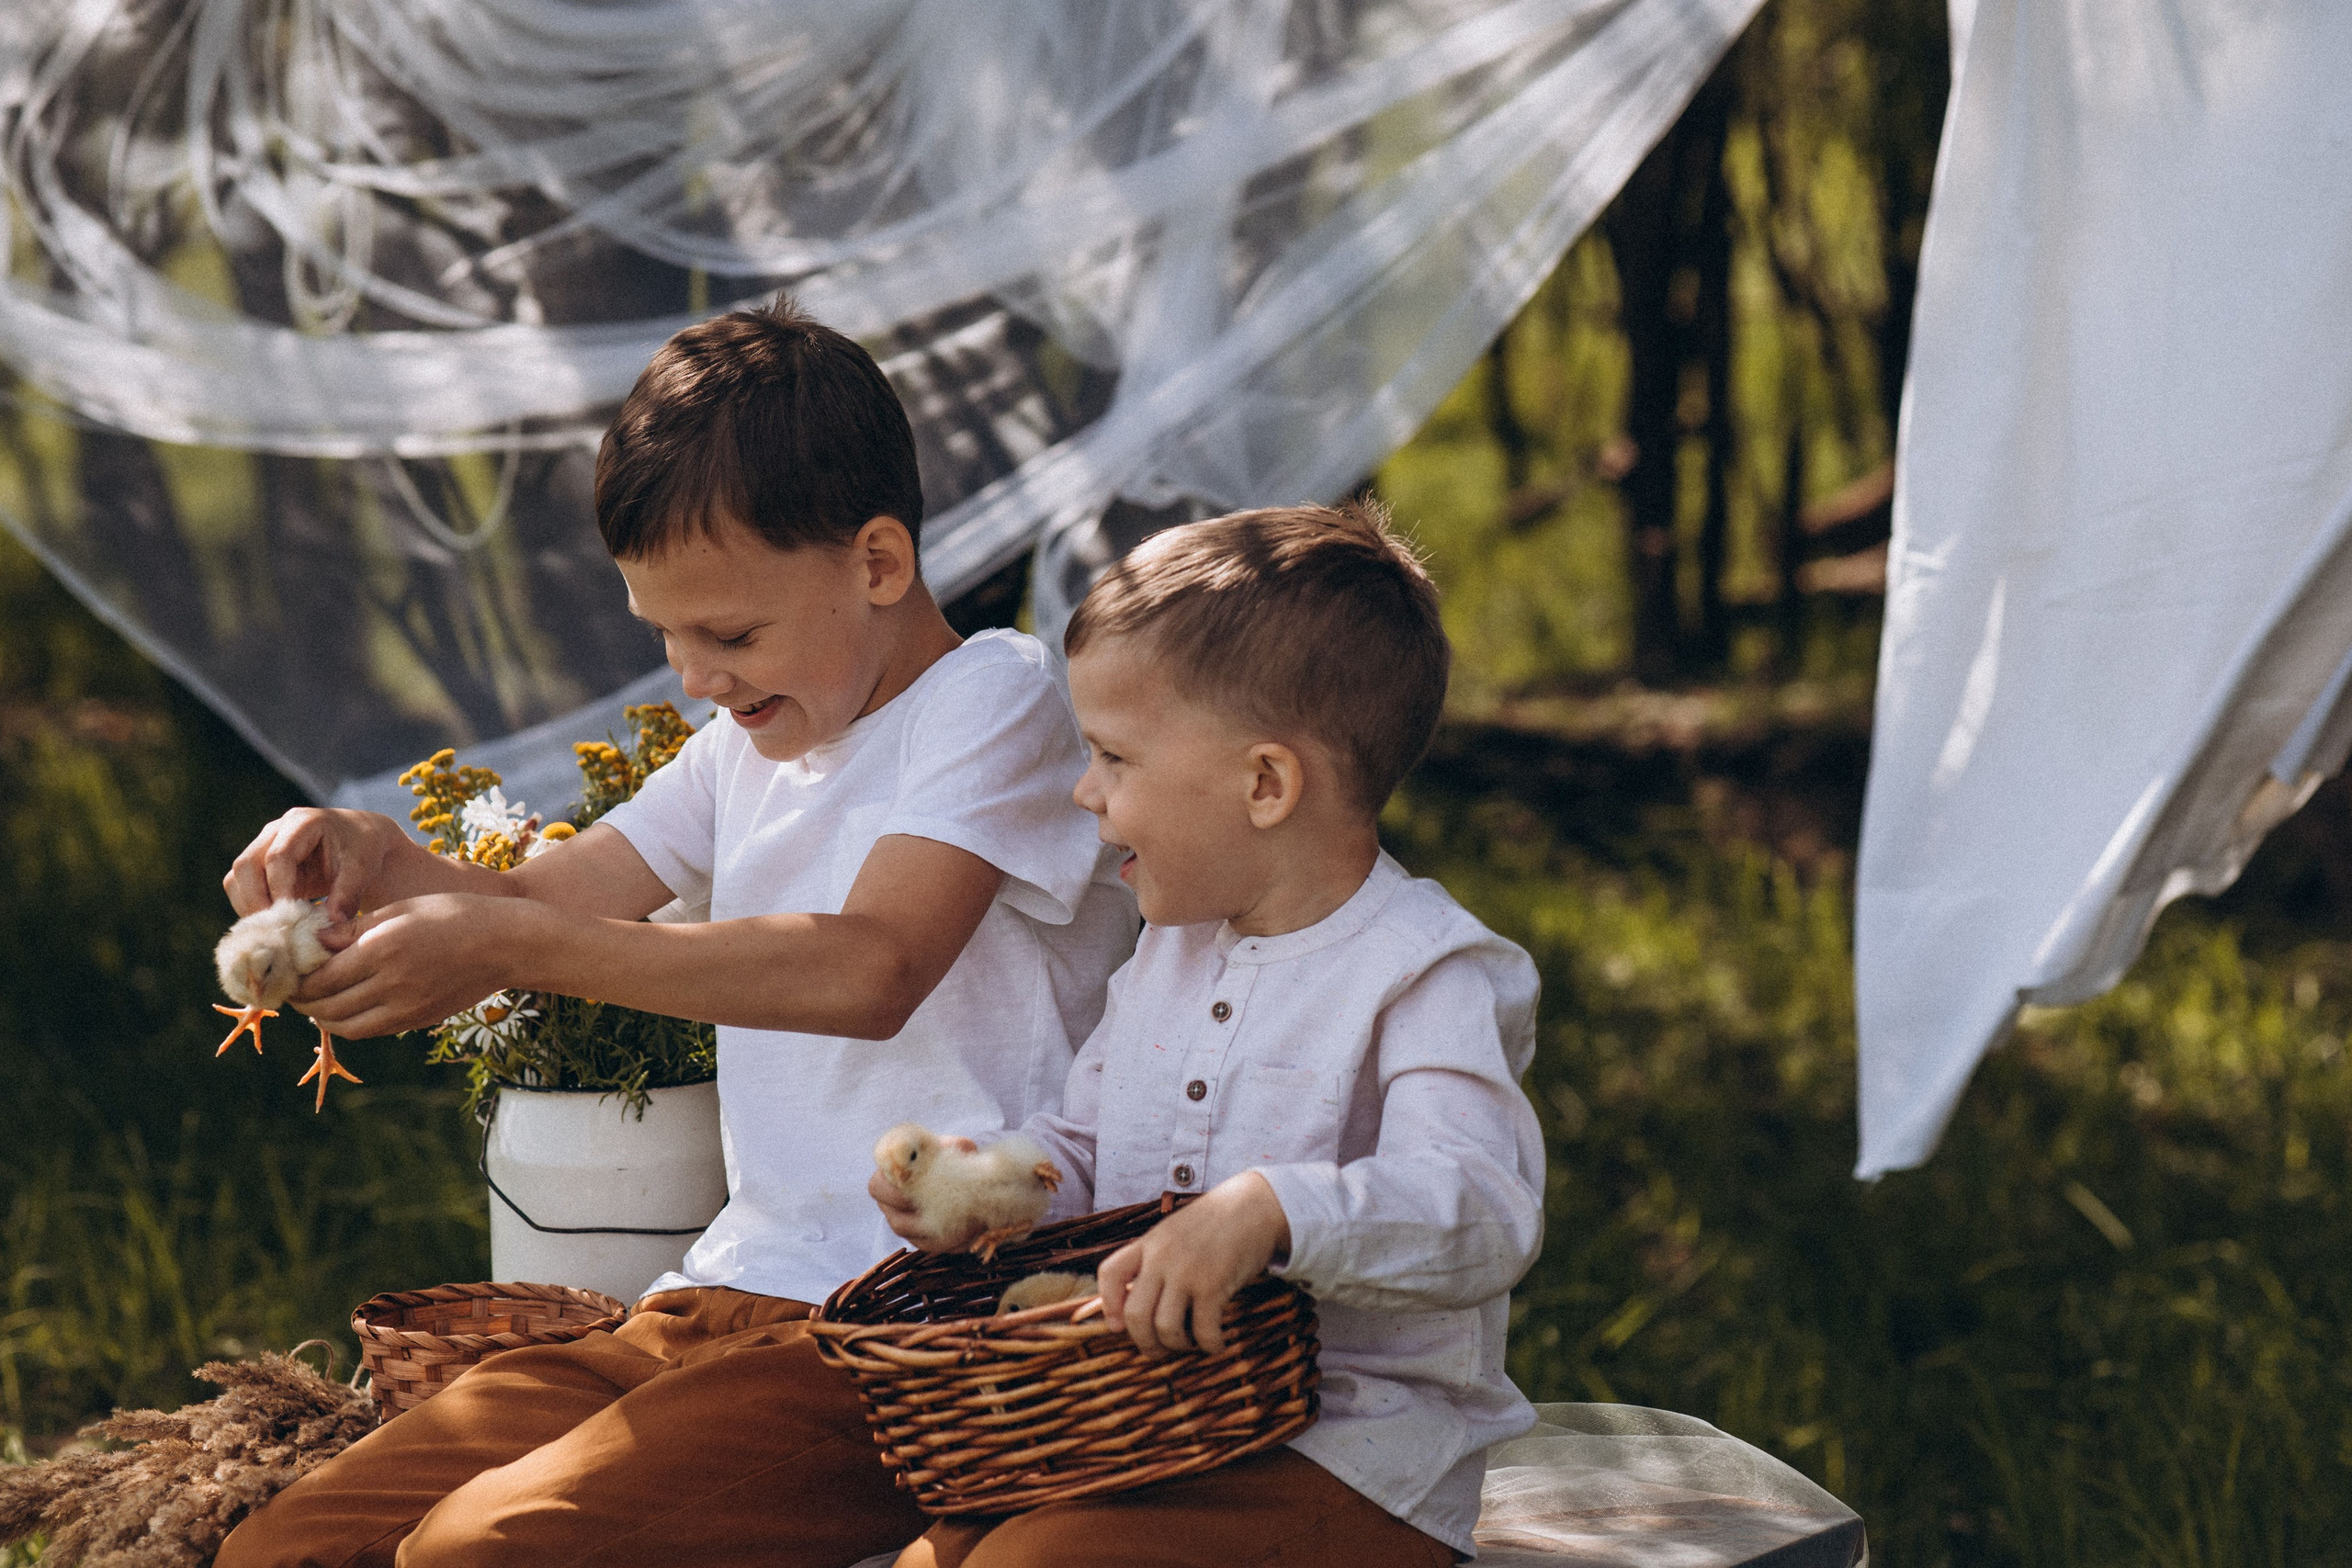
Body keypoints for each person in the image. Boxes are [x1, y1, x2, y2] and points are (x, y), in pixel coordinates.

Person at [216, 297, 1134, 1568]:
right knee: (290, 1545)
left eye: (731, 632)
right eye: (666, 636)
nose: (696, 674)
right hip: (718, 1299)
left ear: (878, 562)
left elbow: (873, 964)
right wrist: (373, 860)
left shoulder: (993, 698)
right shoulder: (739, 753)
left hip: (918, 1323)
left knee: (482, 1547)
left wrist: (509, 951)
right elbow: (542, 900)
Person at [872, 502, 1547, 1568]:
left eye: (1113, 757)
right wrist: (996, 1183)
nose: (1084, 793)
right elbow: (1090, 1149)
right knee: (936, 1554)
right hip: (1156, 1426)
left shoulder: (1424, 970)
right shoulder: (1170, 956)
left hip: (1352, 1462)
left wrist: (1271, 1210)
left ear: (1265, 784)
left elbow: (1480, 1209)